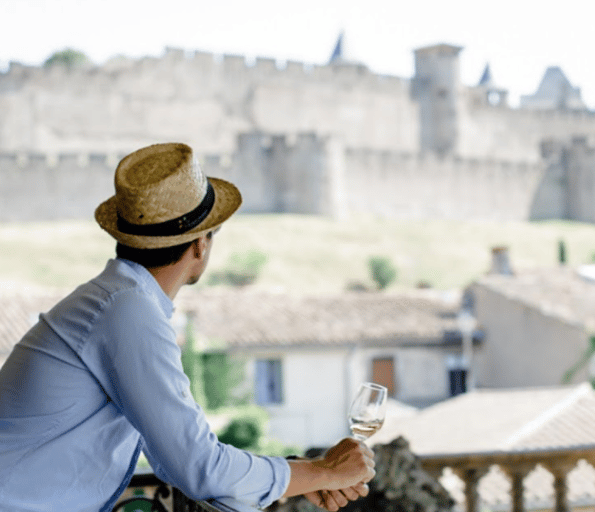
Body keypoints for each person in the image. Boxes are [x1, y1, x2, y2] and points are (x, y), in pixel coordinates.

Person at [0, 143, 374, 511]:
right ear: (200, 245)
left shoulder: (116, 301)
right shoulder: (128, 312)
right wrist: (320, 472)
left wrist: (303, 474)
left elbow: (178, 455)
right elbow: (199, 467)